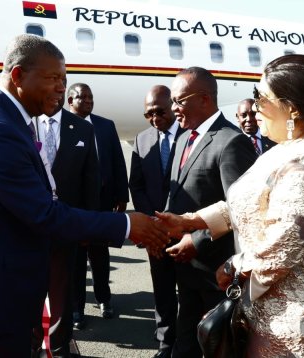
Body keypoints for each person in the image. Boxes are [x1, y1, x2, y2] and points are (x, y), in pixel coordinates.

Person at [0, 34, 169, 357]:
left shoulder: (9, 120)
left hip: (1, 292)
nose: (61, 88)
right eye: (53, 79)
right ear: (18, 76)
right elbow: (44, 214)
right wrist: (127, 225)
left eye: (63, 80)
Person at [158, 54, 304, 357]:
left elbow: (286, 240)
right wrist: (190, 221)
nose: (254, 106)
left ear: (290, 108)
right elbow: (246, 203)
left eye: (261, 97)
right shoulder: (281, 151)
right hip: (272, 306)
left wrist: (233, 266)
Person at [164, 66, 257, 358]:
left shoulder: (231, 142)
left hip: (216, 273)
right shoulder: (182, 138)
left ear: (203, 99)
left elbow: (240, 210)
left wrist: (197, 240)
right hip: (185, 270)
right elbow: (176, 195)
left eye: (179, 101)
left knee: (217, 347)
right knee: (186, 343)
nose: (173, 108)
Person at [30, 83, 100, 358]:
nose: (54, 94)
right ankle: (32, 343)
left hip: (67, 225)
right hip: (30, 225)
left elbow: (90, 180)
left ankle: (59, 346)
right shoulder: (26, 123)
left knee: (63, 290)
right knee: (31, 289)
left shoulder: (82, 127)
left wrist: (88, 224)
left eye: (59, 89)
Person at [129, 85, 185, 358]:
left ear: (173, 105)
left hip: (187, 229)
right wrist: (153, 221)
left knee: (188, 291)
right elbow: (136, 185)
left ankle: (187, 341)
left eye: (159, 111)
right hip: (156, 231)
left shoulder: (191, 136)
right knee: (162, 290)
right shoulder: (142, 140)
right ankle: (165, 343)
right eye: (148, 114)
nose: (154, 118)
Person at [67, 82, 129, 327]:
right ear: (70, 101)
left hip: (102, 203)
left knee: (100, 255)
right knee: (76, 259)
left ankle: (104, 298)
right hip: (74, 205)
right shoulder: (61, 125)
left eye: (91, 97)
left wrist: (122, 195)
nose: (88, 101)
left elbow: (117, 162)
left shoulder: (105, 125)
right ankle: (76, 309)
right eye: (82, 97)